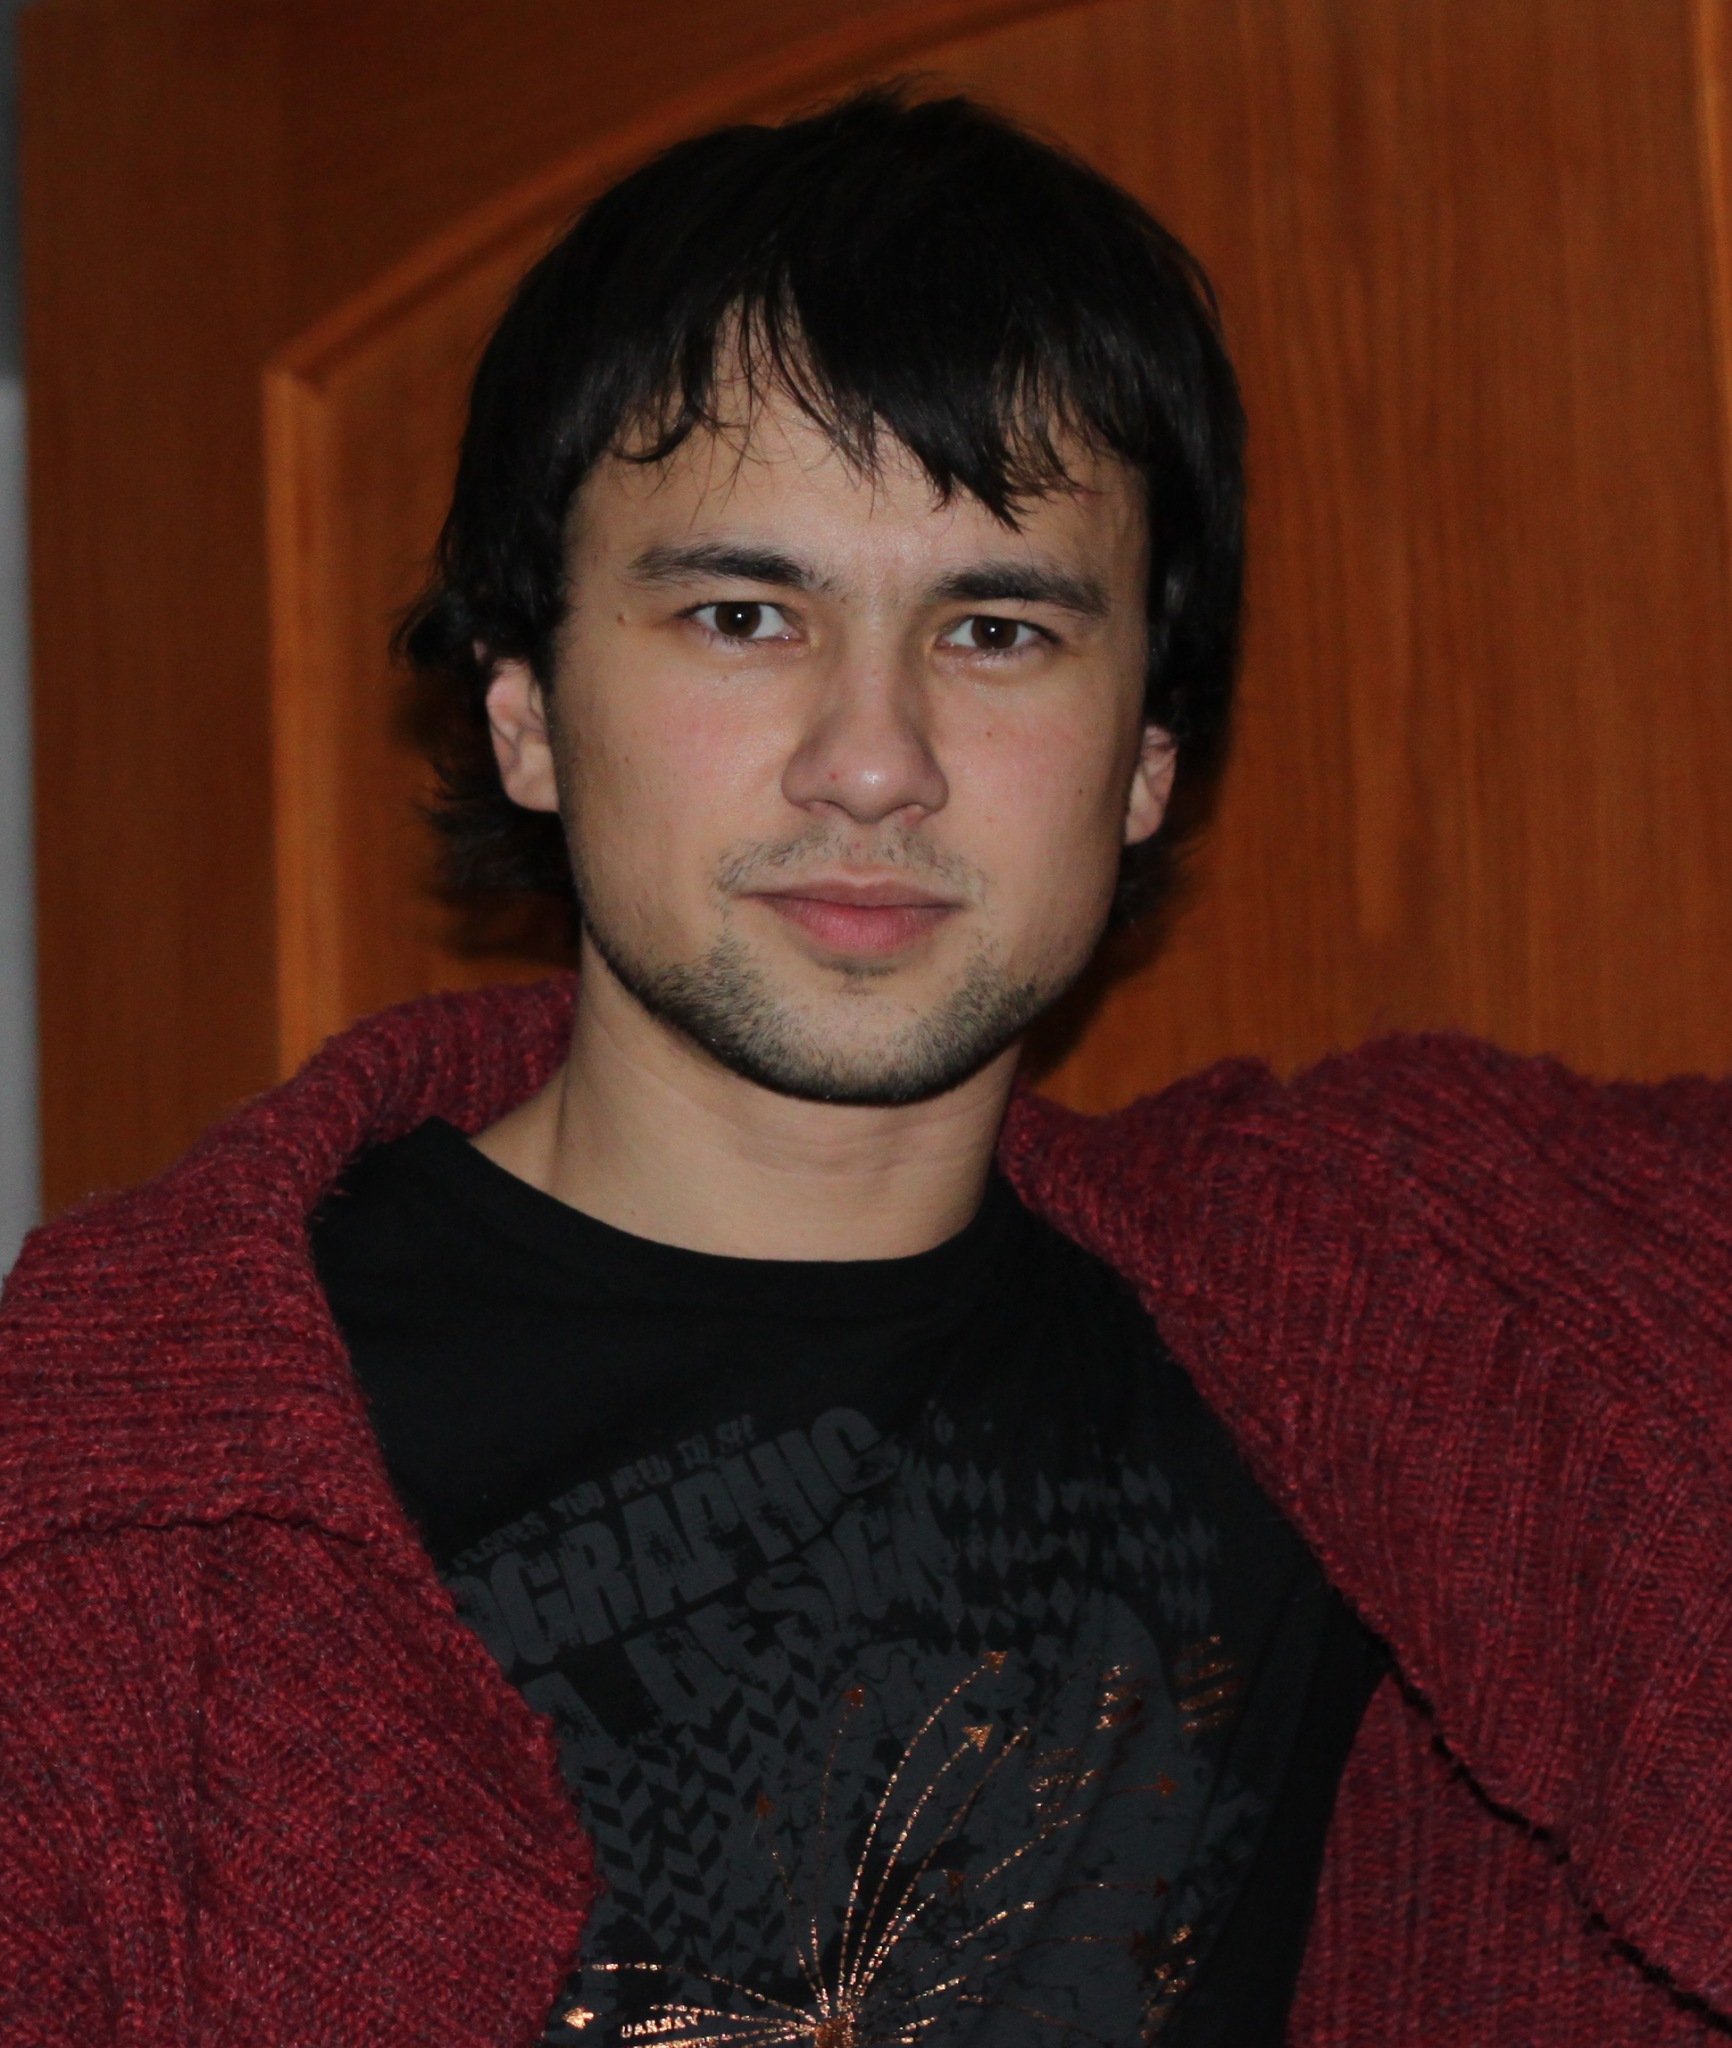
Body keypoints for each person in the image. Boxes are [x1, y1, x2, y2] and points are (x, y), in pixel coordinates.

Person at [1, 86, 1728, 2048]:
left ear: (1146, 762)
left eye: (995, 630)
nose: (873, 760)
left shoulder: (1414, 1339)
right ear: (525, 709)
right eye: (744, 615)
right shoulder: (123, 1498)